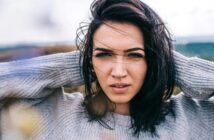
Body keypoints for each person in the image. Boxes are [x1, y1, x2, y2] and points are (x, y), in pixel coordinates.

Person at [0, 0, 213, 139]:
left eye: (134, 55)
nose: (118, 72)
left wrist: (172, 64)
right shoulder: (56, 115)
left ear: (153, 60)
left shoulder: (194, 118)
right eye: (104, 54)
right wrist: (81, 64)